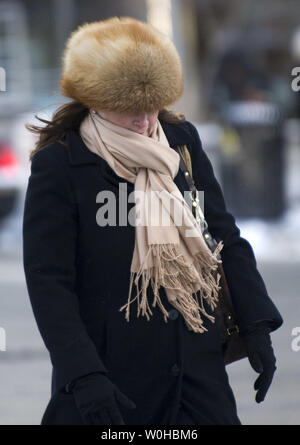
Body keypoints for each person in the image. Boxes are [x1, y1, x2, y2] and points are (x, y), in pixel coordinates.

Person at [23, 16, 283, 426]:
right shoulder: (62, 164)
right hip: (112, 377)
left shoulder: (182, 143)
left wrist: (256, 328)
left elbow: (224, 236)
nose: (145, 122)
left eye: (152, 107)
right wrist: (84, 374)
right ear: (95, 99)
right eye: (130, 109)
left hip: (197, 373)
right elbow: (49, 281)